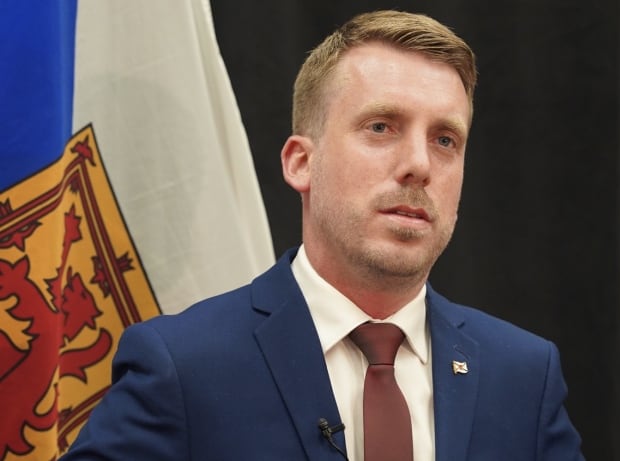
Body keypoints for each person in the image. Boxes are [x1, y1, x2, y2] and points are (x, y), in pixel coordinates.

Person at [62, 10, 584, 461]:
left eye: (445, 139)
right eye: (381, 127)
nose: (419, 165)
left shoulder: (522, 375)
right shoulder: (183, 367)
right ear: (301, 162)